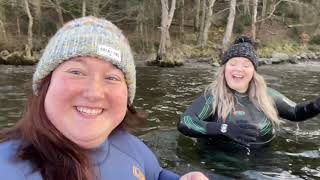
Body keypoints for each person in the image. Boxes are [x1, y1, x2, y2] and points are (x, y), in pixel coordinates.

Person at [0, 16, 208, 180]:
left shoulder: (130, 146)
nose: (94, 93)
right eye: (76, 72)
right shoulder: (7, 168)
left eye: (111, 77)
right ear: (45, 84)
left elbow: (156, 175)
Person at [177, 36, 320, 149]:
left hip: (265, 164)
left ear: (253, 72)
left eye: (246, 65)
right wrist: (223, 129)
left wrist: (316, 105)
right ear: (224, 70)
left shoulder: (268, 95)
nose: (239, 69)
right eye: (233, 64)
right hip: (222, 165)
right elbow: (186, 122)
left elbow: (296, 112)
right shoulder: (213, 97)